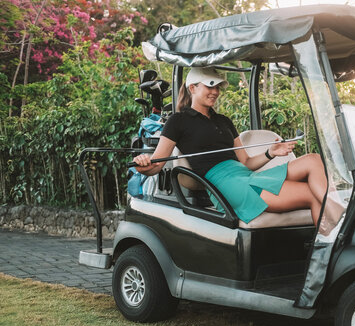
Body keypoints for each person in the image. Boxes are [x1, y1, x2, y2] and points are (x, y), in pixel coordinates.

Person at [133, 67, 329, 225]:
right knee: (312, 195)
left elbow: (247, 162)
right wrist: (143, 164)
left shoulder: (224, 121)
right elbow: (157, 164)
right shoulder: (178, 120)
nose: (215, 92)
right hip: (227, 185)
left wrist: (271, 153)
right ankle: (330, 253)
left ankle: (337, 239)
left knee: (313, 159)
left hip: (247, 176)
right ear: (192, 88)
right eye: (210, 86)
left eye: (217, 87)